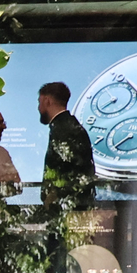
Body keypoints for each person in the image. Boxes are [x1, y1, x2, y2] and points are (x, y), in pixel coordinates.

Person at [36, 81, 97, 209]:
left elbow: (76, 172)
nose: (38, 107)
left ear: (47, 101)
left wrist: (55, 194)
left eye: (39, 102)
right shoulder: (69, 126)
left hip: (69, 208)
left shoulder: (64, 130)